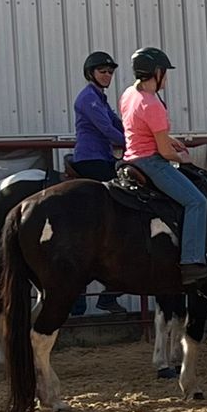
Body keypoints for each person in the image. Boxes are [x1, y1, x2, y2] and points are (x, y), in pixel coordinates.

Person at [120, 47, 207, 285]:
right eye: (165, 72)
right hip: (151, 162)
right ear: (157, 72)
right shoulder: (153, 105)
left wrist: (170, 140)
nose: (167, 78)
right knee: (197, 201)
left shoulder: (129, 94)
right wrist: (184, 159)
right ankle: (192, 261)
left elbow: (140, 130)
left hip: (130, 158)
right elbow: (164, 152)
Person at [71, 51, 127, 315]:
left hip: (103, 158)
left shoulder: (101, 99)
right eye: (102, 71)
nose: (107, 75)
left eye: (110, 72)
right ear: (91, 73)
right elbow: (107, 129)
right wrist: (134, 144)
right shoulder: (88, 98)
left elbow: (118, 123)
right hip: (91, 159)